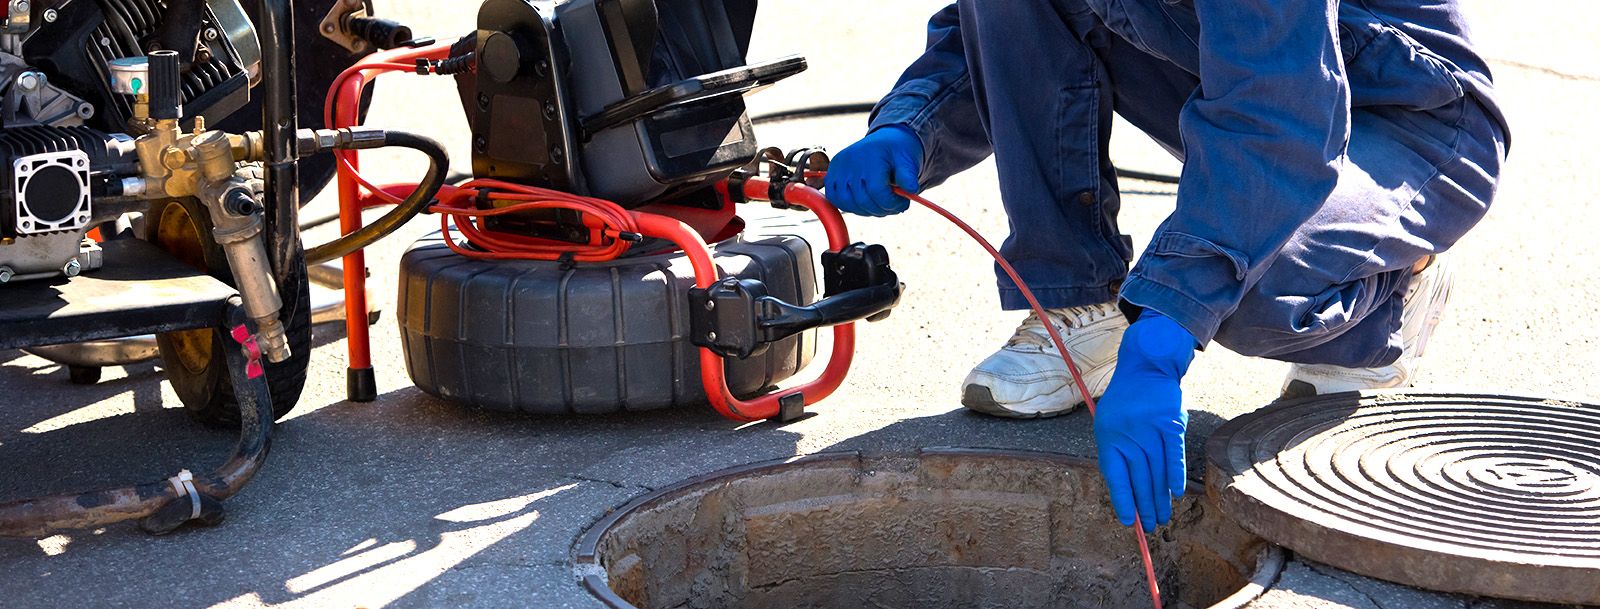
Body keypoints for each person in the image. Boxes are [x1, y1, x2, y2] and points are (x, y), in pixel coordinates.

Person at [823, 0, 1508, 532]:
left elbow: (1275, 116)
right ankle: (1078, 304)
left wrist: (1162, 337)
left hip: (1413, 118)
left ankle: (1391, 295)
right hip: (1227, 66)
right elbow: (1002, 28)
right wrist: (912, 126)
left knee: (1242, 290)